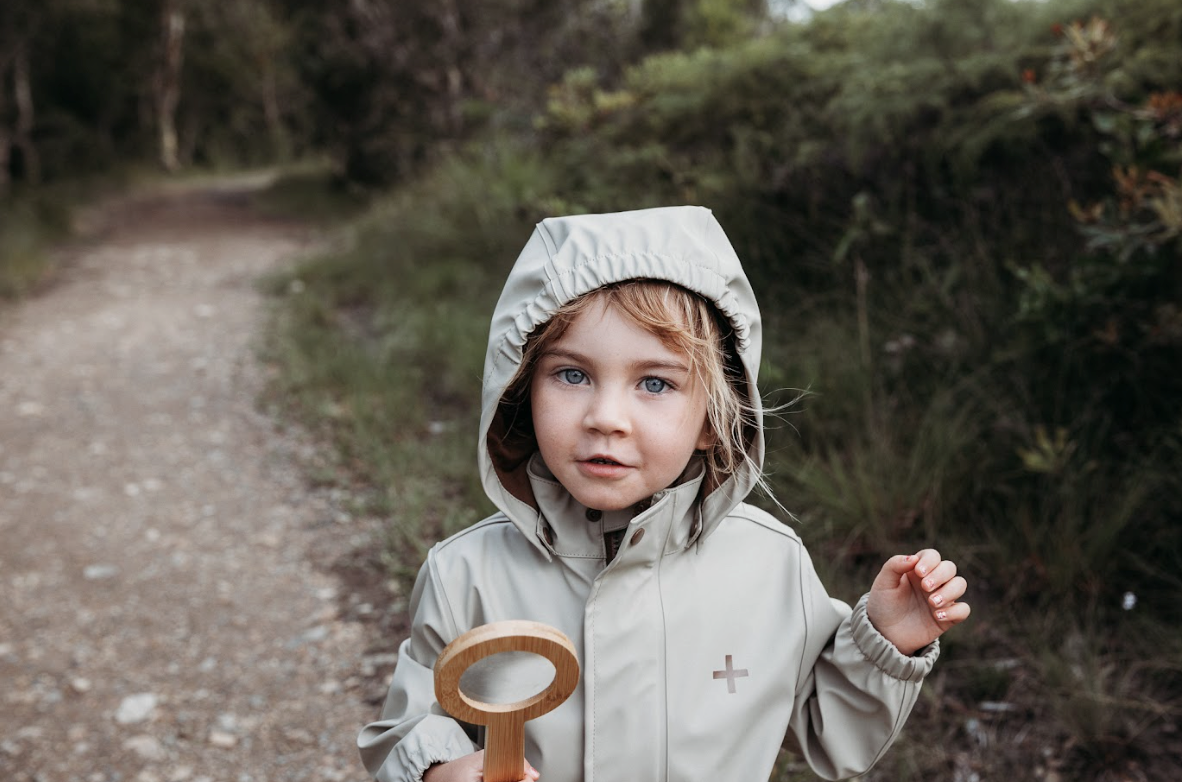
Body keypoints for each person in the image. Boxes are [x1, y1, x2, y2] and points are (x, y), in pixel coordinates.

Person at [357, 206, 970, 782]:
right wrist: (441, 769)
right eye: (572, 375)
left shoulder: (769, 566)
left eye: (654, 382)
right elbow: (410, 726)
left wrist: (886, 644)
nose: (606, 417)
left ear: (712, 416)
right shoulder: (467, 574)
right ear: (522, 388)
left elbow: (832, 734)